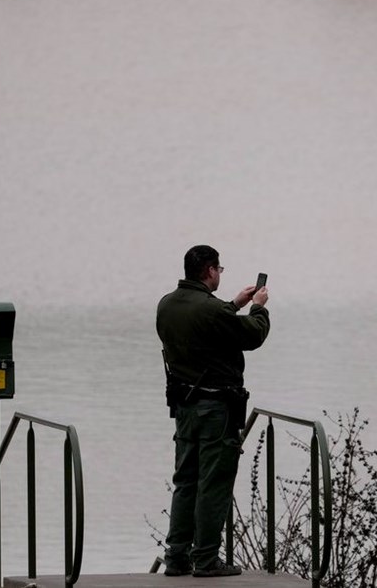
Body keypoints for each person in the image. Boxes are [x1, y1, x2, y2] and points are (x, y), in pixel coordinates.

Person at [156, 244, 270, 578]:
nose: (219, 274)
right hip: (217, 410)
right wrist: (258, 308)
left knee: (186, 481)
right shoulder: (212, 310)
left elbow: (206, 327)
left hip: (184, 407)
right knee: (213, 483)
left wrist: (234, 305)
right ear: (209, 270)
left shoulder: (167, 304)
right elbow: (253, 335)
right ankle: (206, 558)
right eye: (219, 269)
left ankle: (176, 557)